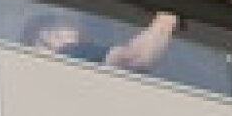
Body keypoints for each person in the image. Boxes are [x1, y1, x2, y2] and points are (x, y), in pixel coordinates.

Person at [20, 8, 179, 72]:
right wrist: (168, 16)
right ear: (46, 36)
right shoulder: (70, 53)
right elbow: (136, 58)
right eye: (69, 25)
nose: (78, 32)